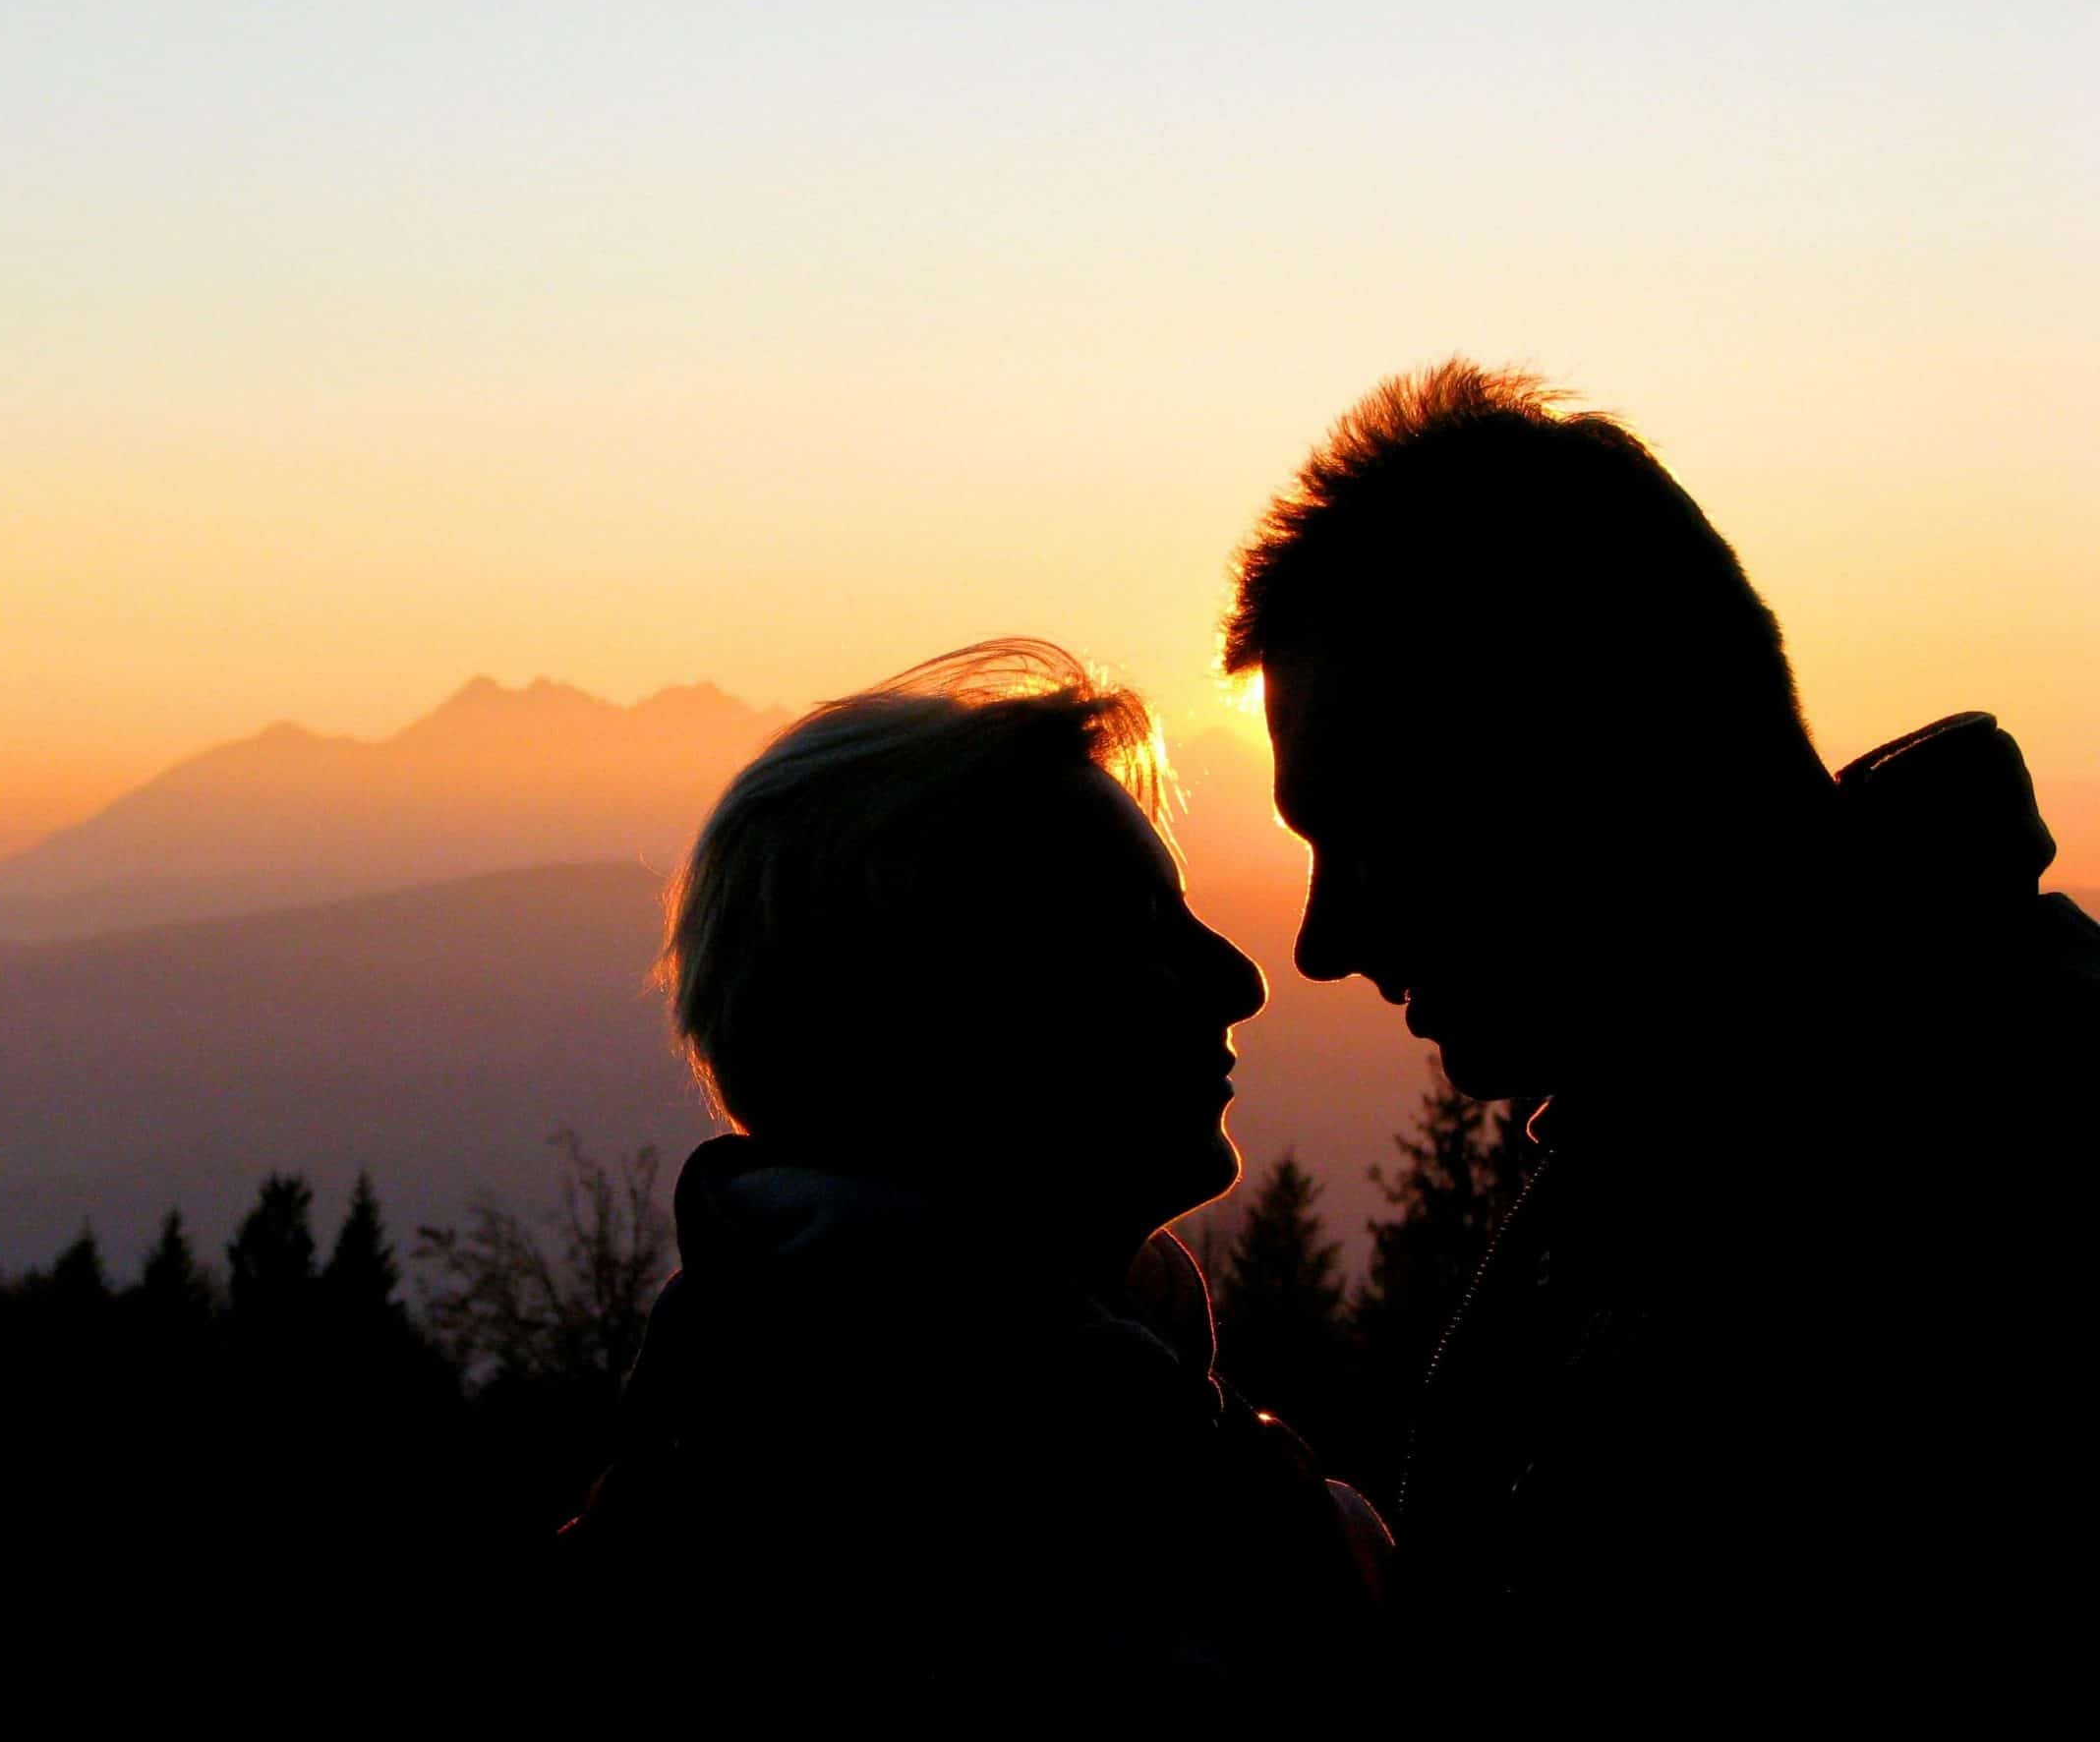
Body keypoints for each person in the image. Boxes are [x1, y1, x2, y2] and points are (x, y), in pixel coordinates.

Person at [1220, 361, 2099, 1709]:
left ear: (1581, 763)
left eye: (1370, 828)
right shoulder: (1709, 1157)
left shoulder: (1973, 1208)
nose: (1321, 943)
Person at [559, 640, 1386, 1711]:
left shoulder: (1122, 1437)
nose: (1240, 980)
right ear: (937, 1016)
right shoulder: (897, 1562)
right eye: (1139, 929)